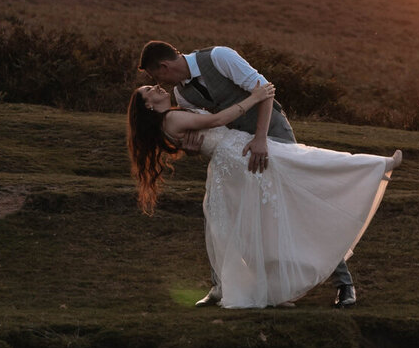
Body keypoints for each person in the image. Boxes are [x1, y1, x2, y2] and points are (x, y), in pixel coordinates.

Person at [126, 41, 398, 310]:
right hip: (236, 151)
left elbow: (264, 91)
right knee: (241, 214)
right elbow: (203, 130)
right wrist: (193, 149)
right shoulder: (181, 96)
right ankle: (233, 285)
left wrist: (260, 139)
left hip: (269, 131)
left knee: (298, 199)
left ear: (163, 66)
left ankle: (343, 284)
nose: (158, 83)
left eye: (154, 77)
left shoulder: (219, 57)